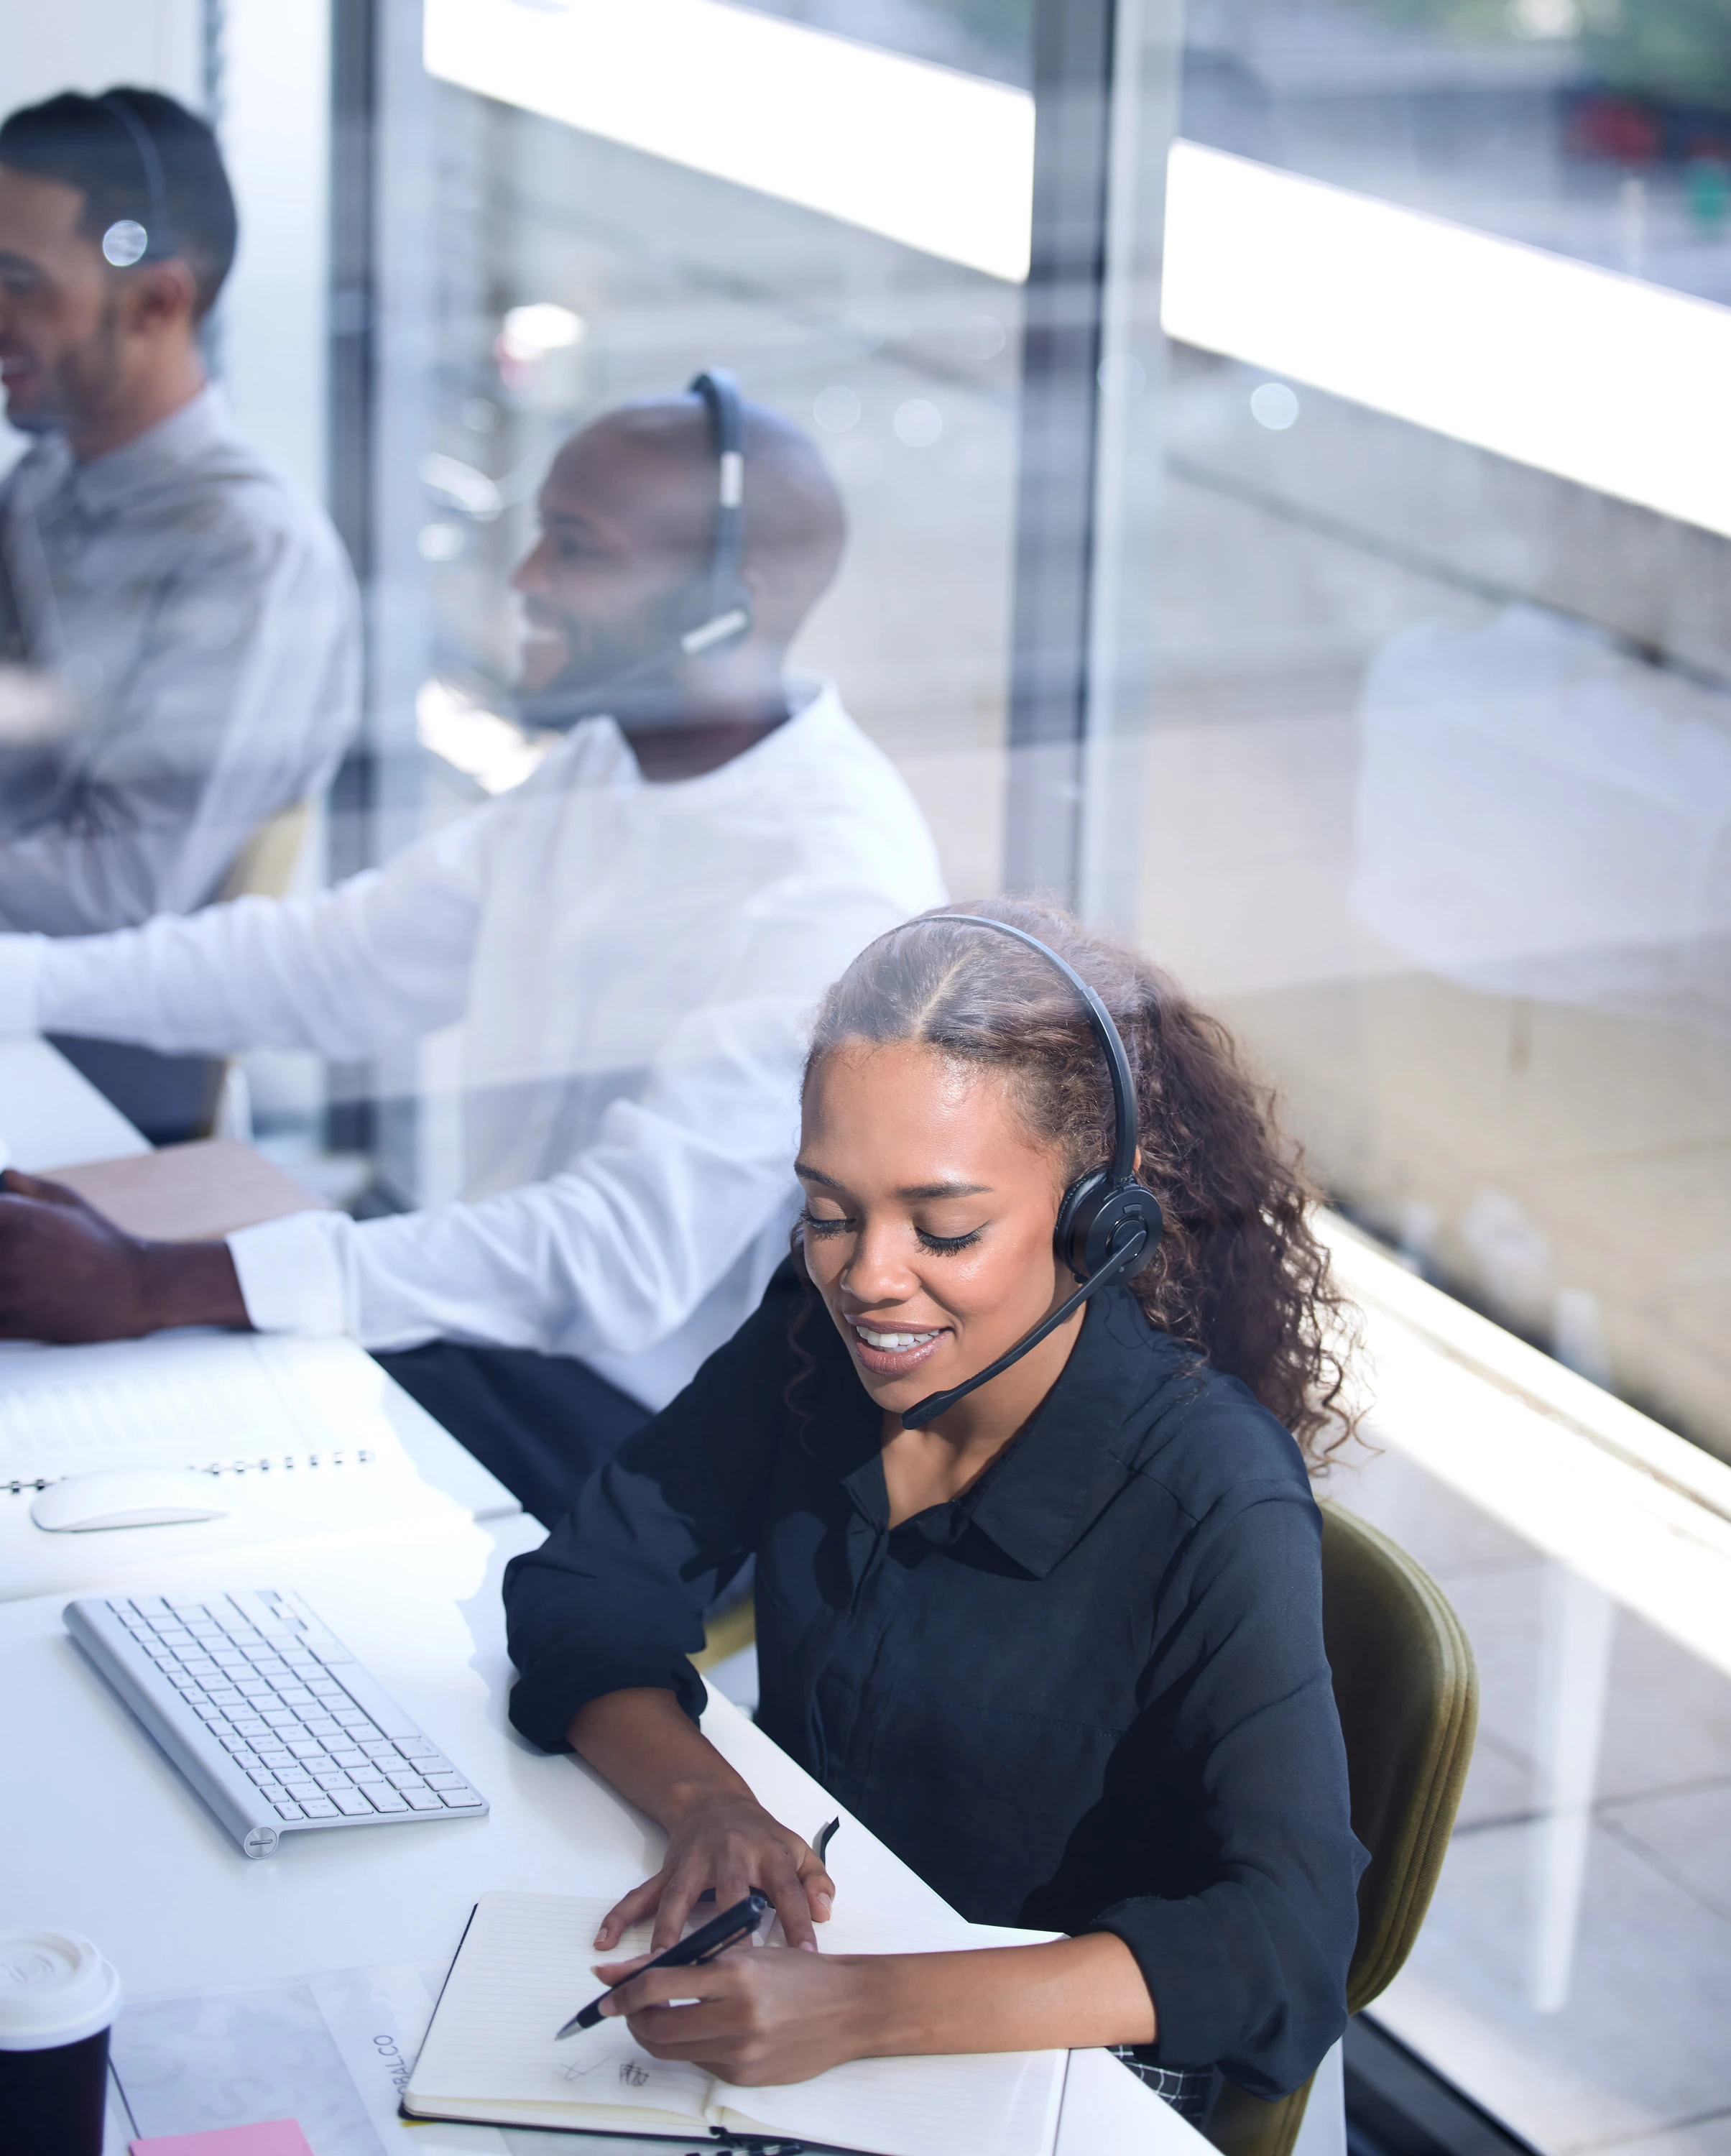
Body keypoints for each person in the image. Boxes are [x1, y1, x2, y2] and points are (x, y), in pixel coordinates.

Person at [0, 383, 946, 1525]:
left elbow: (616, 1260)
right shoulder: (610, 761)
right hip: (488, 1342)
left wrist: (163, 1279)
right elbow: (334, 965)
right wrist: (28, 981)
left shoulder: (832, 883)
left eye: (576, 548)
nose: (526, 579)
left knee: (133, 1480)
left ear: (722, 605)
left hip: (649, 1439)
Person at [502, 900, 1367, 2124]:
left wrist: (863, 2009)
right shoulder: (818, 1343)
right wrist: (710, 1806)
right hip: (802, 2013)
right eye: (829, 1212)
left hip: (1048, 2084)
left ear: (1095, 1225)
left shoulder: (1211, 1492)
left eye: (945, 1228)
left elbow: (1283, 1947)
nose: (866, 1277)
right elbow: (584, 1585)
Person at [0, 87, 360, 1136]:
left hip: (93, 1067)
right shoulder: (46, 483)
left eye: (20, 285)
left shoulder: (249, 556)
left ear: (158, 303)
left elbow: (118, 885)